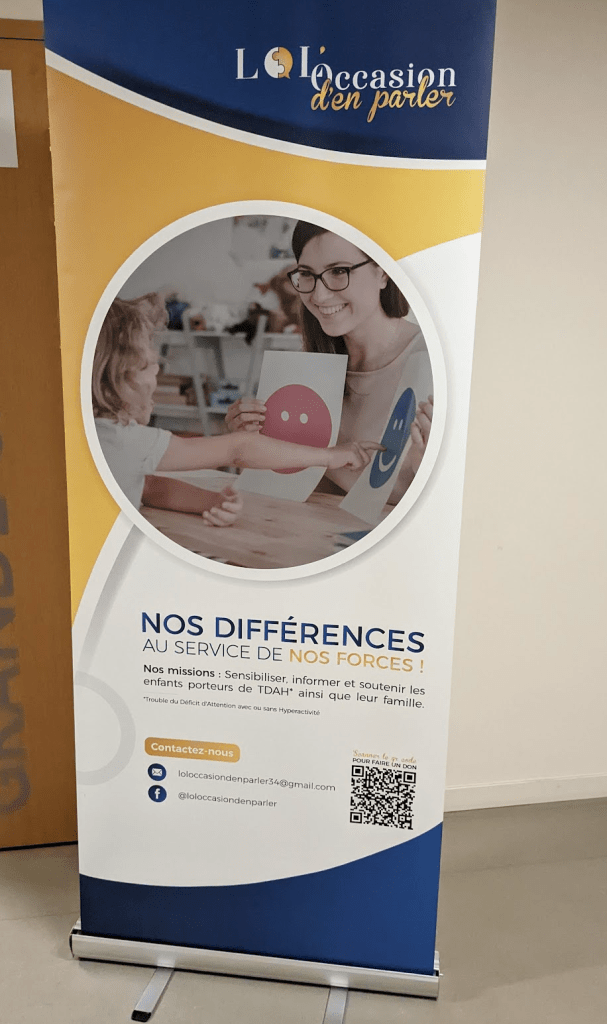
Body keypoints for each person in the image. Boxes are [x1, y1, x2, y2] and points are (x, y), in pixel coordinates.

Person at [92, 293, 382, 525]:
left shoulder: (100, 437)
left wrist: (211, 501)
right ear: (110, 383)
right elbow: (238, 449)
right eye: (146, 366)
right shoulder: (118, 440)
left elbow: (146, 487)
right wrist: (329, 456)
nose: (158, 369)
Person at [226, 222, 433, 505]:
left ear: (383, 271)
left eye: (338, 271)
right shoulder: (308, 368)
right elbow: (283, 487)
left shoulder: (434, 364)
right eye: (306, 275)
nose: (319, 296)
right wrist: (250, 441)